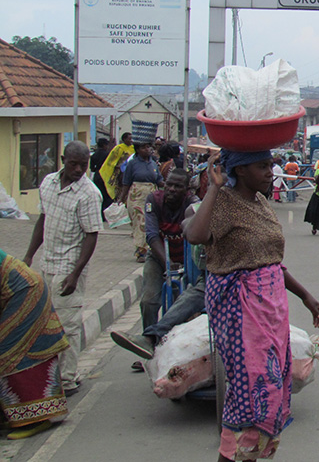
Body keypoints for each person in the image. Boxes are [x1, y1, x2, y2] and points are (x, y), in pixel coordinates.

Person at [186, 150, 319, 462]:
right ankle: (232, 455)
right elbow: (195, 235)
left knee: (271, 390)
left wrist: (305, 295)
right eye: (262, 166)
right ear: (241, 170)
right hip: (240, 310)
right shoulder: (224, 201)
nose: (270, 171)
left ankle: (248, 456)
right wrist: (212, 187)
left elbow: (270, 260)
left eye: (270, 165)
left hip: (271, 307)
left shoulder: (261, 203)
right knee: (251, 393)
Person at [23, 141, 102, 395]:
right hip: (47, 264)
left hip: (69, 268)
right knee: (45, 323)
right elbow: (42, 221)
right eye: (73, 164)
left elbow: (91, 235)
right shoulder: (47, 183)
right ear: (62, 160)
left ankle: (67, 380)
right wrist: (28, 257)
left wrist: (75, 274)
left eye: (84, 165)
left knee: (67, 326)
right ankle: (51, 376)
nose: (79, 169)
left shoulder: (89, 194)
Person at [112, 203, 207, 361]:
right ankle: (151, 341)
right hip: (205, 272)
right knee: (153, 300)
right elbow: (184, 226)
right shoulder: (201, 205)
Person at [0, 249, 70, 439]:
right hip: (15, 290)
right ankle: (12, 414)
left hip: (24, 291)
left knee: (10, 353)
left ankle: (35, 418)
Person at [135, 169, 200, 335]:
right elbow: (151, 235)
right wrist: (167, 262)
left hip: (187, 260)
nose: (171, 189)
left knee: (184, 305)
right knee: (148, 301)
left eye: (178, 186)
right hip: (159, 257)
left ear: (187, 190)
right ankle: (149, 340)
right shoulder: (154, 200)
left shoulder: (192, 203)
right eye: (169, 184)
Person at [119, 137, 164, 263]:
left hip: (150, 196)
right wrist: (122, 198)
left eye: (149, 147)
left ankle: (149, 248)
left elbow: (158, 180)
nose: (148, 149)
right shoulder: (132, 164)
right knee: (140, 223)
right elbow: (126, 182)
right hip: (136, 197)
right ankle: (141, 251)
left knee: (150, 221)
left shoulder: (153, 164)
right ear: (138, 150)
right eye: (144, 147)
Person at [98, 132, 134, 201]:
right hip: (120, 174)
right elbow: (112, 162)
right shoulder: (118, 148)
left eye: (132, 139)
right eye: (129, 139)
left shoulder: (133, 148)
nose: (131, 140)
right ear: (124, 139)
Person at [90, 137, 113, 217]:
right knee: (108, 196)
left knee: (99, 195)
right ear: (104, 145)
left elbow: (92, 168)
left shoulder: (94, 155)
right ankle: (107, 215)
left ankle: (100, 215)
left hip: (97, 176)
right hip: (105, 175)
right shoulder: (107, 155)